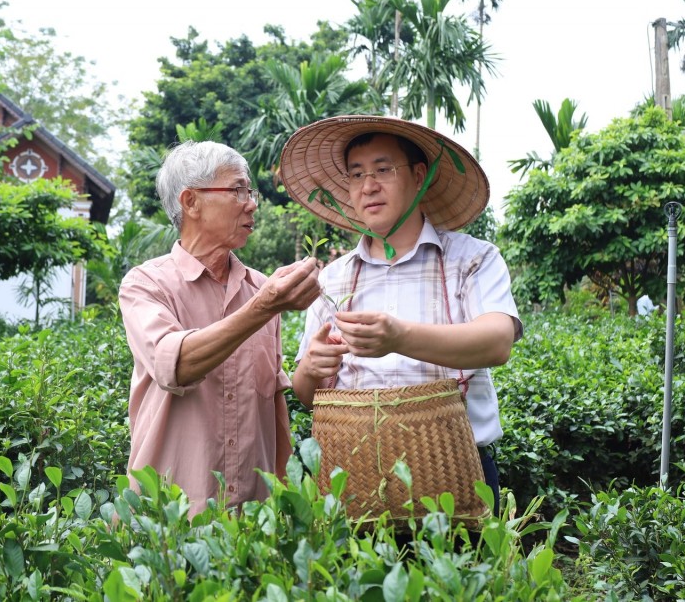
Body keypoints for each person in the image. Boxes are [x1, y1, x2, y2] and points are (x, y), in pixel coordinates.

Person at [280, 115, 523, 511]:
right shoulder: (333, 279)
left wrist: (399, 338)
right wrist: (310, 367)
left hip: (456, 467)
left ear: (419, 175)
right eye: (356, 175)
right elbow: (310, 395)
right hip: (354, 471)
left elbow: (497, 342)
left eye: (383, 169)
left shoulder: (471, 259)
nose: (368, 186)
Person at [118, 140, 321, 516]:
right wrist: (263, 307)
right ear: (191, 201)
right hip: (171, 520)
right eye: (238, 190)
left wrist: (284, 499)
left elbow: (275, 410)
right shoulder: (145, 284)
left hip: (253, 522)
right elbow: (175, 366)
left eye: (250, 191)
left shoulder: (262, 288)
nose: (252, 203)